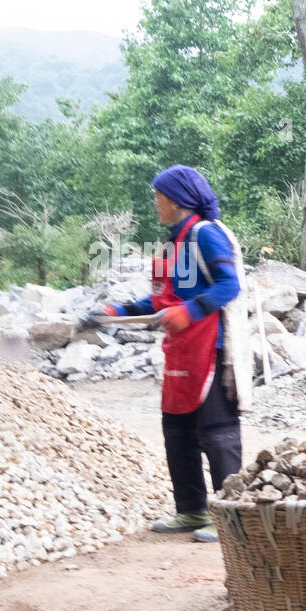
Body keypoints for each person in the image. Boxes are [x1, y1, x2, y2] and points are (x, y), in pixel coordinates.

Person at [87, 165, 243, 544]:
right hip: (179, 353)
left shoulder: (207, 236)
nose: (155, 202)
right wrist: (117, 312)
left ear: (175, 200)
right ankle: (191, 509)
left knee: (217, 435)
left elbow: (230, 284)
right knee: (178, 433)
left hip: (211, 350)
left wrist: (188, 312)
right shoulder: (171, 248)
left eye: (158, 196)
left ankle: (232, 516)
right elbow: (158, 301)